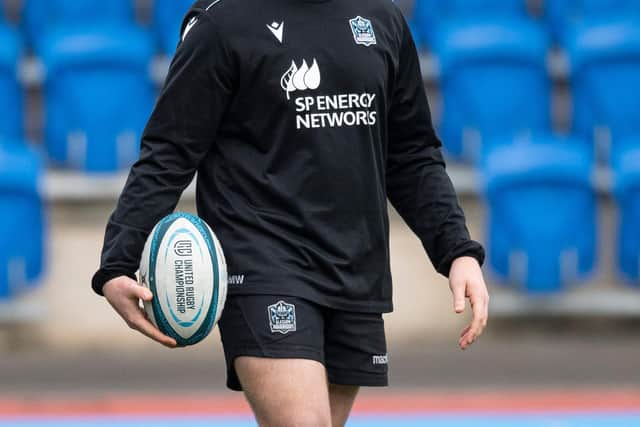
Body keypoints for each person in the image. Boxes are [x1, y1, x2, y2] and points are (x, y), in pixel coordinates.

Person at [92, 0, 490, 425]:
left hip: (354, 268)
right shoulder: (221, 22)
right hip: (261, 261)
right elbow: (169, 151)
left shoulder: (382, 18)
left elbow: (412, 153)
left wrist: (456, 250)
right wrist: (117, 261)